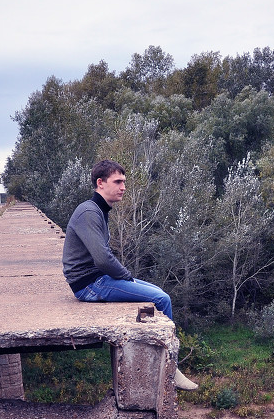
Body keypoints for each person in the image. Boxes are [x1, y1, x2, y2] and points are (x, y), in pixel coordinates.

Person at [62, 158, 198, 391]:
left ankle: (166, 360)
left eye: (124, 181)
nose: (123, 187)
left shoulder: (99, 211)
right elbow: (102, 258)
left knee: (159, 293)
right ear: (100, 183)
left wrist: (125, 277)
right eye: (118, 181)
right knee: (161, 299)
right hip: (89, 284)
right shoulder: (88, 212)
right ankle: (170, 367)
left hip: (97, 279)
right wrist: (125, 275)